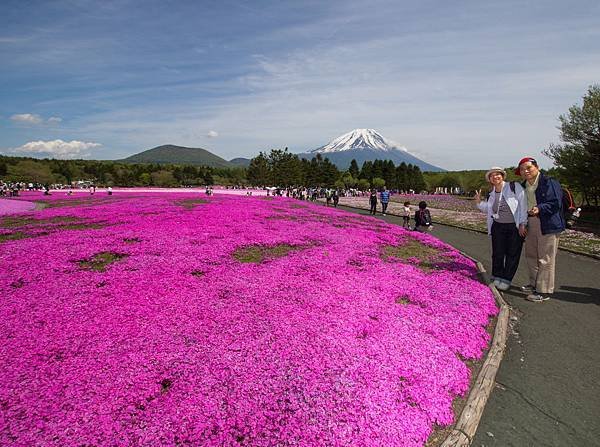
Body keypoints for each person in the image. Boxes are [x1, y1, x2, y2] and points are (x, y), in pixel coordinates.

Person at [516, 157, 565, 302]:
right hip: (531, 222)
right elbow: (521, 206)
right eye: (522, 170)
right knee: (531, 255)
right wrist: (522, 223)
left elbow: (556, 202)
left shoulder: (549, 182)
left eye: (528, 168)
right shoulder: (523, 185)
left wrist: (540, 208)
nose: (525, 171)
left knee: (546, 258)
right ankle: (534, 283)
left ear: (537, 167)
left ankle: (543, 291)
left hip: (548, 223)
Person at [474, 167, 528, 291]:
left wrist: (522, 223)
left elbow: (523, 205)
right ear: (490, 180)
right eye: (492, 176)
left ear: (503, 176)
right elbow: (489, 209)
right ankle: (497, 276)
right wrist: (478, 202)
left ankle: (506, 279)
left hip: (514, 226)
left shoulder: (514, 187)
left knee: (512, 254)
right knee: (497, 253)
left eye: (498, 174)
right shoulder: (492, 193)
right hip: (498, 226)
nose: (495, 177)